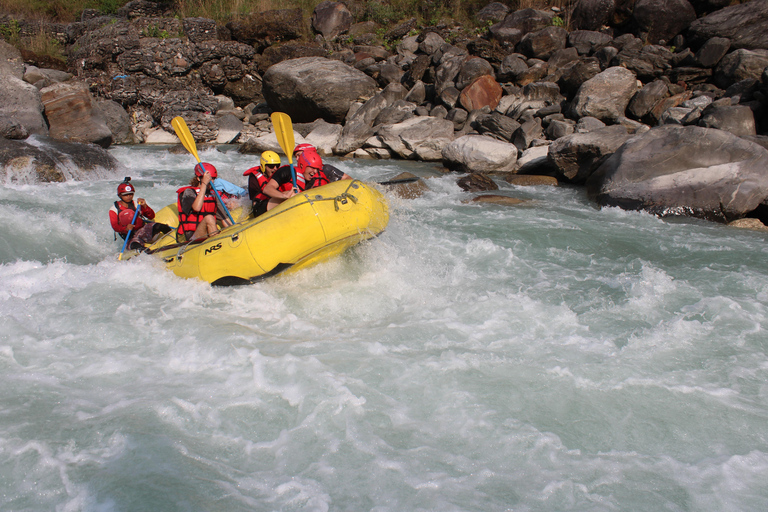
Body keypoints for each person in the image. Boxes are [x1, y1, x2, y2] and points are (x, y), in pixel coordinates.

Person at [254, 148, 324, 216]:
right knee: (292, 195)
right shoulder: (287, 171)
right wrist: (284, 196)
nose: (315, 172)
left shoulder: (311, 180)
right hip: (261, 206)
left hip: (284, 211)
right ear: (302, 165)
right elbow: (267, 189)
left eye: (317, 169)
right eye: (312, 168)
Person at [109, 178, 172, 250]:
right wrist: (125, 228)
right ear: (120, 195)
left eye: (131, 194)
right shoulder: (114, 209)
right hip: (131, 237)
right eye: (126, 195)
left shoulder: (137, 204)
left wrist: (145, 206)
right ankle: (147, 252)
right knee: (137, 246)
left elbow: (151, 216)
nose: (129, 196)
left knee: (160, 226)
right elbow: (115, 227)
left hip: (143, 230)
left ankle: (174, 239)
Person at [176, 163, 233, 242]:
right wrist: (204, 184)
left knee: (211, 218)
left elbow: (225, 220)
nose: (211, 181)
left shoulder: (213, 195)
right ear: (198, 178)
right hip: (192, 237)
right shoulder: (189, 192)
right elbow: (197, 208)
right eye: (207, 178)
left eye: (212, 178)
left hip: (208, 234)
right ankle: (216, 242)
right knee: (209, 218)